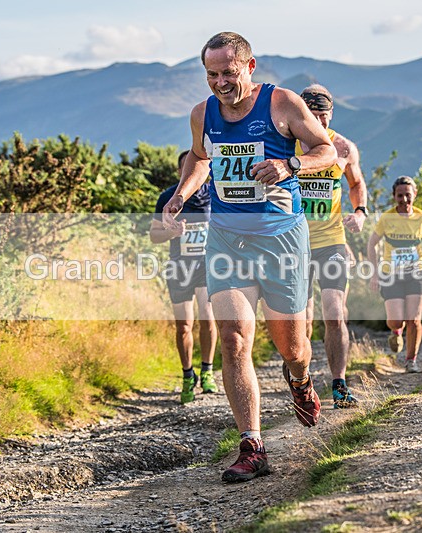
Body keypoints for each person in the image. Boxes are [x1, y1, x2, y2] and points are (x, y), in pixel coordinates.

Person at [162, 32, 337, 482]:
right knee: (235, 338)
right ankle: (252, 445)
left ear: (250, 66)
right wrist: (182, 193)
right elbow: (201, 158)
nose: (220, 82)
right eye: (212, 74)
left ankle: (299, 378)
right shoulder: (203, 113)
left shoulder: (282, 104)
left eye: (228, 73)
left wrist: (289, 166)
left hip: (281, 238)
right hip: (227, 240)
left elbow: (326, 150)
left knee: (292, 348)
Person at [296, 84, 367, 409]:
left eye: (323, 116)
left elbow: (356, 182)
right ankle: (303, 382)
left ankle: (339, 383)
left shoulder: (343, 146)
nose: (318, 123)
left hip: (331, 242)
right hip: (294, 243)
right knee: (304, 319)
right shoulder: (287, 145)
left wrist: (360, 212)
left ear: (331, 113)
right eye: (311, 116)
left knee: (335, 313)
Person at [150, 150, 218, 404]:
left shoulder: (214, 194)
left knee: (208, 318)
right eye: (185, 170)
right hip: (179, 268)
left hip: (206, 266)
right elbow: (154, 235)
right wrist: (171, 233)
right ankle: (188, 375)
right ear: (180, 172)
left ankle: (208, 371)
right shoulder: (167, 198)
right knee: (184, 325)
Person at [367, 176, 422, 373]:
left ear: (414, 195)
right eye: (400, 196)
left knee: (414, 319)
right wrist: (374, 273)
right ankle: (396, 330)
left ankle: (411, 360)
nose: (404, 200)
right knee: (396, 319)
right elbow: (371, 244)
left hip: (417, 272)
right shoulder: (387, 218)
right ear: (394, 196)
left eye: (408, 195)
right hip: (390, 274)